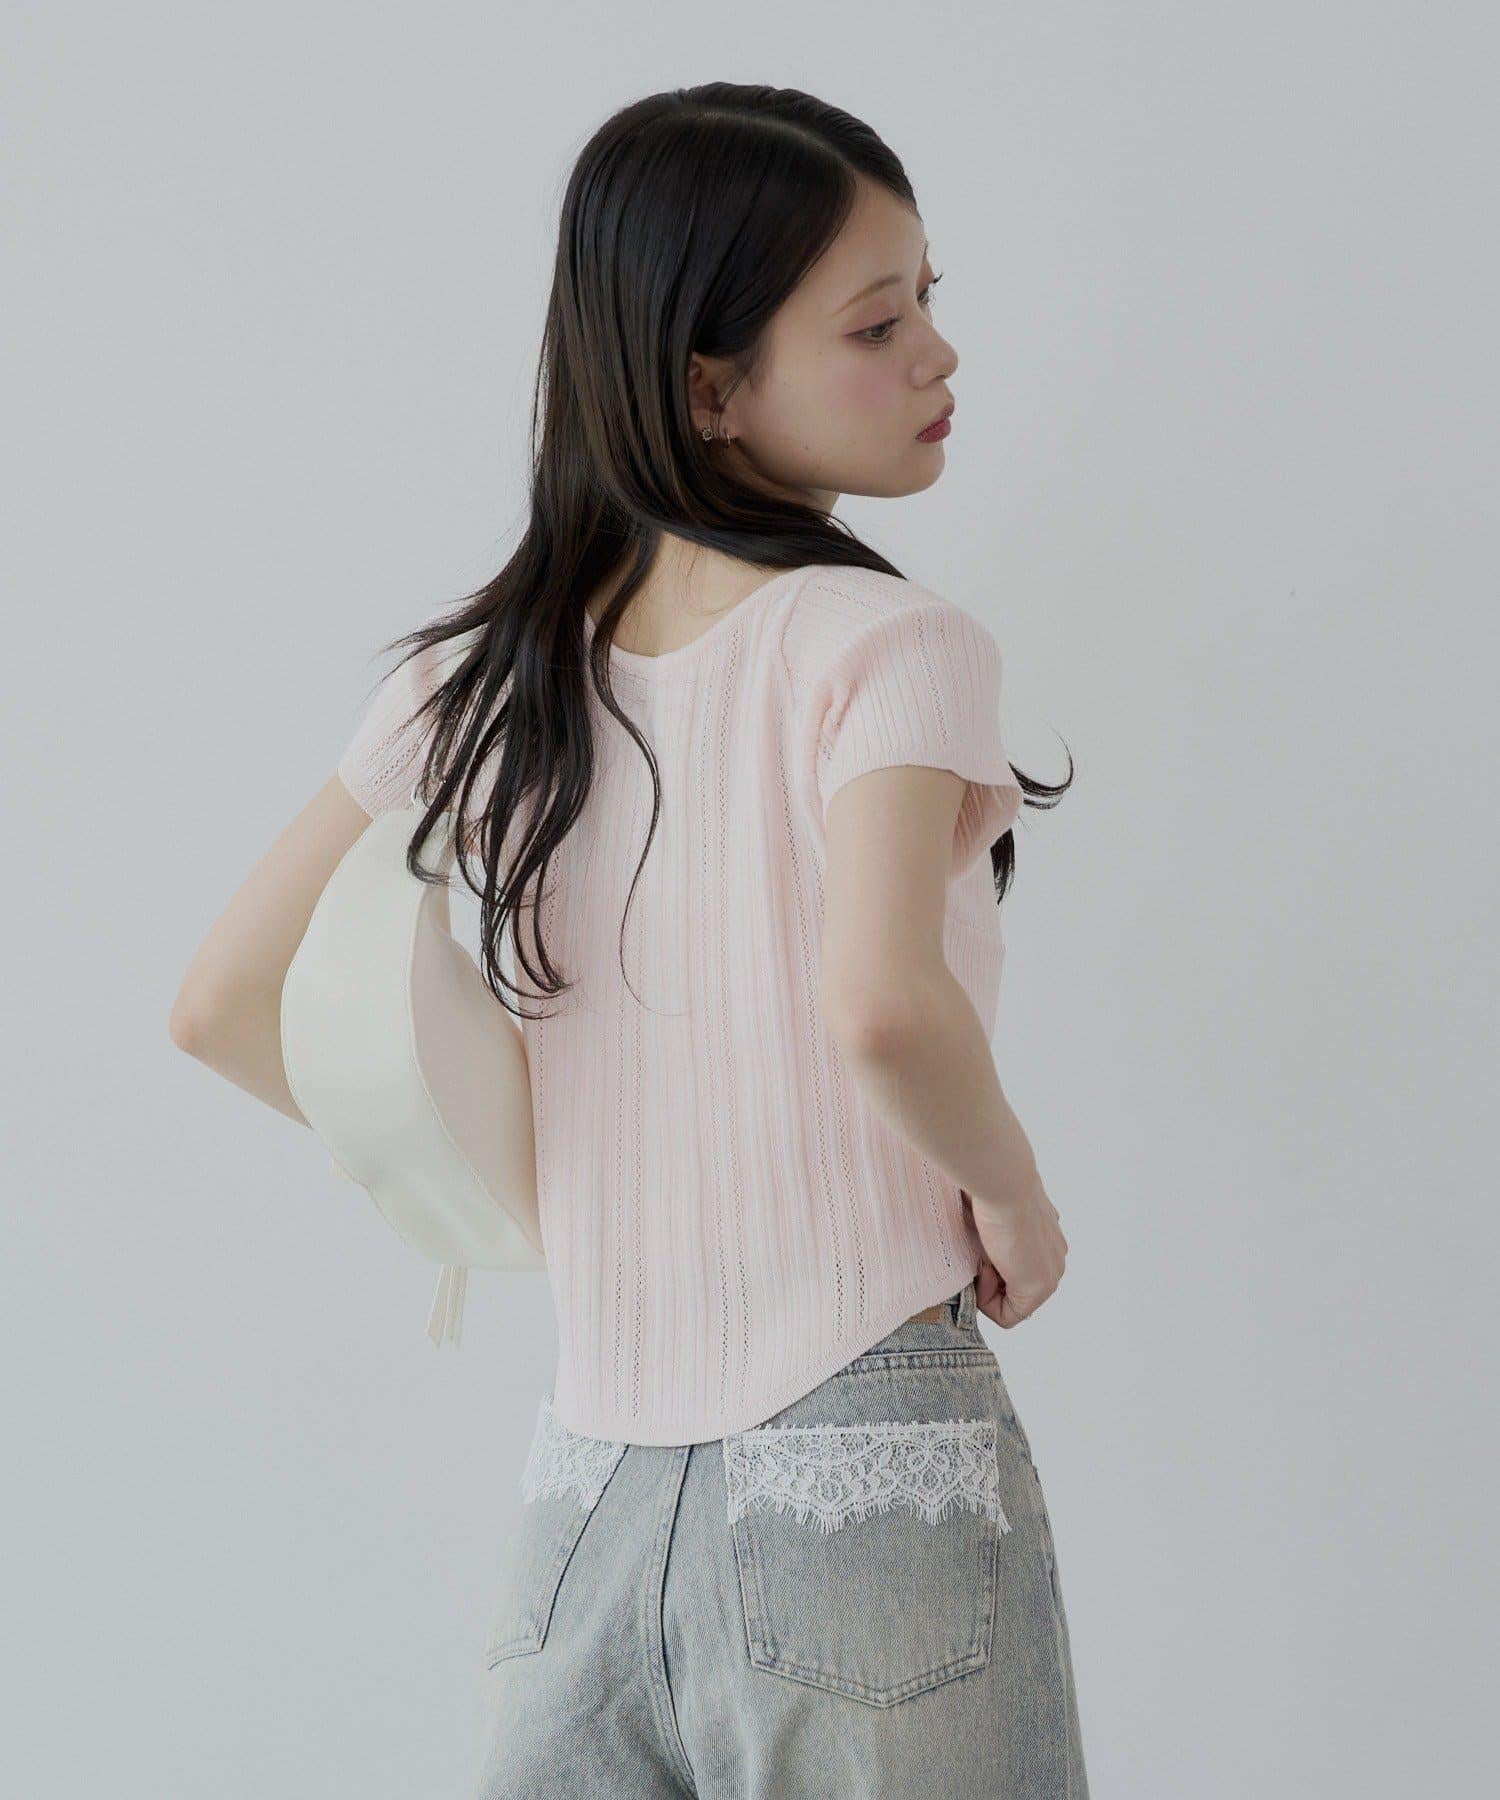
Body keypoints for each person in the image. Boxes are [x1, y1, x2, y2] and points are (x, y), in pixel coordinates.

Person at [169, 81, 1087, 1799]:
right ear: (707, 389)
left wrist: (554, 1185)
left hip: (584, 1496)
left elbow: (224, 1003)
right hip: (866, 1451)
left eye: (928, 301)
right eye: (876, 324)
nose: (937, 352)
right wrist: (1016, 1199)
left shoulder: (479, 679)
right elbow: (883, 1004)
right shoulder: (891, 647)